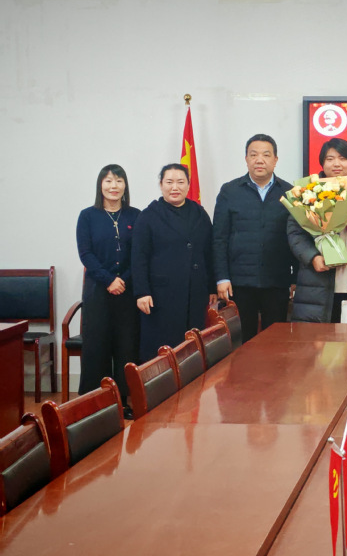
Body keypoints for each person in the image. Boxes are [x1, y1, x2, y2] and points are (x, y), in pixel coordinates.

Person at [212, 134, 297, 342]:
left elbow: (295, 237)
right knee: (241, 343)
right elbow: (219, 238)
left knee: (275, 342)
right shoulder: (230, 191)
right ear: (246, 159)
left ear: (275, 160)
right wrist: (222, 278)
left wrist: (295, 278)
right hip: (239, 283)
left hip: (277, 281)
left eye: (266, 155)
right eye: (254, 155)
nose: (260, 160)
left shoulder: (290, 192)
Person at [288, 138, 347, 323]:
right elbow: (295, 233)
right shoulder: (307, 194)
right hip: (316, 283)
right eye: (330, 159)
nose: (337, 164)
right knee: (317, 340)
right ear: (322, 163)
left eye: (342, 158)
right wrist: (313, 257)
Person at [132, 164, 216, 361]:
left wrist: (212, 286)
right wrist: (142, 292)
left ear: (188, 185)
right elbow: (138, 257)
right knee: (163, 351)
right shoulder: (149, 216)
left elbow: (209, 252)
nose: (175, 187)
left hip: (195, 294)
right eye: (169, 182)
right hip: (161, 297)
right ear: (161, 185)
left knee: (192, 350)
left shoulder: (199, 213)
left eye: (180, 182)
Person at [76, 164, 140, 414]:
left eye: (119, 181)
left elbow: (139, 254)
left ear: (125, 185)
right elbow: (86, 254)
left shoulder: (136, 215)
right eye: (108, 181)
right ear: (100, 185)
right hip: (98, 292)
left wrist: (123, 279)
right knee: (97, 347)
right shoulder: (87, 216)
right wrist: (109, 280)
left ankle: (122, 402)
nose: (114, 186)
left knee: (126, 347)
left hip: (127, 293)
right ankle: (95, 405)